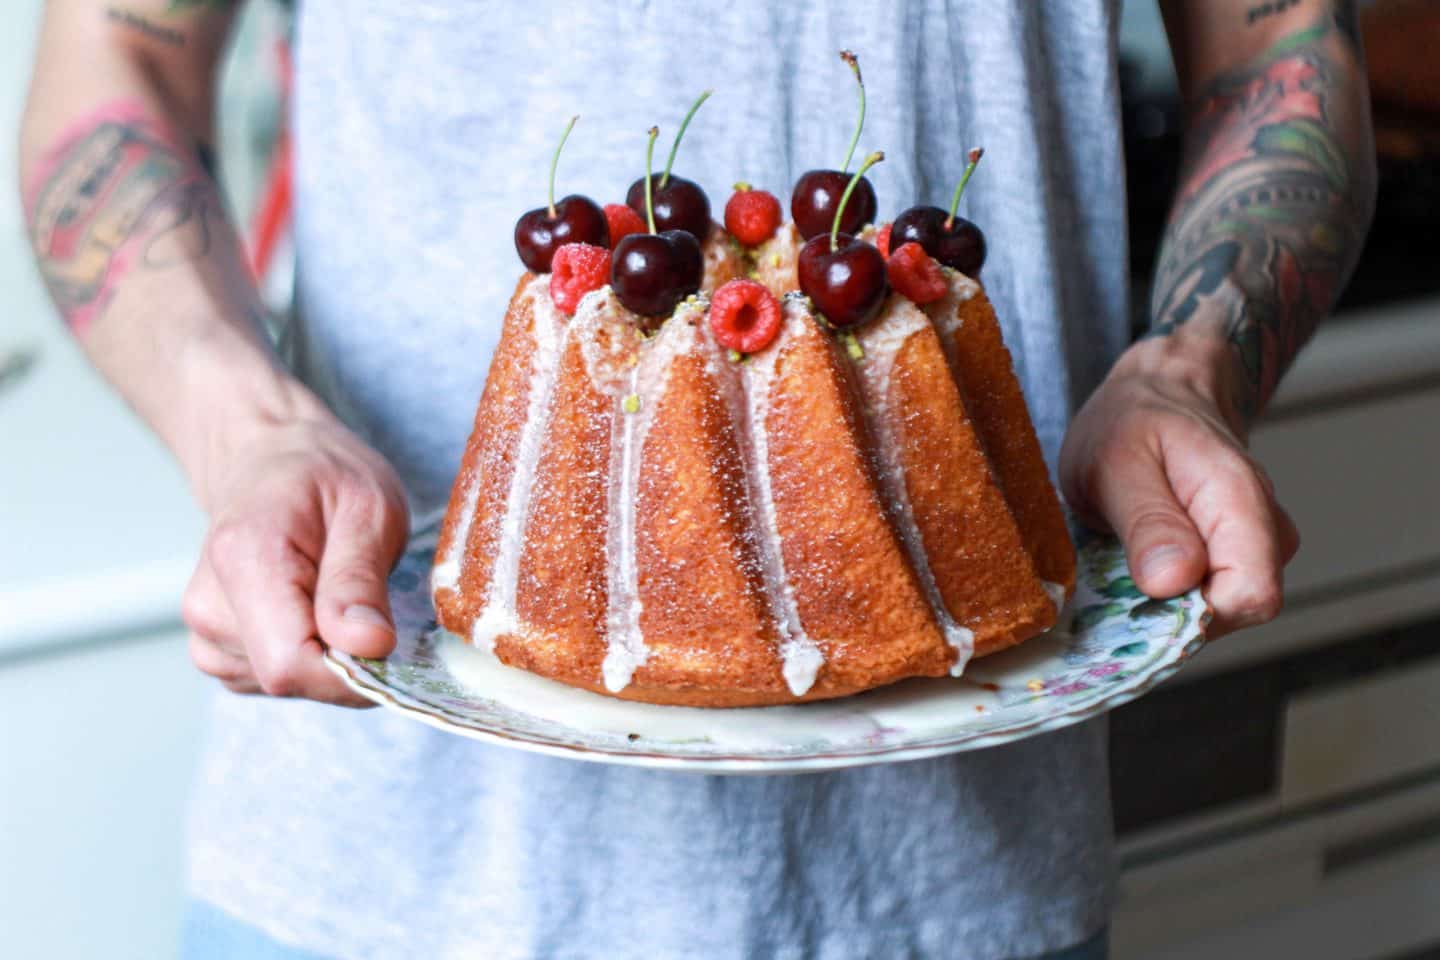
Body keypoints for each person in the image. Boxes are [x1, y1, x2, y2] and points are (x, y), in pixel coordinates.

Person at [20, 1, 1374, 957]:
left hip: (959, 878)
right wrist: (246, 428)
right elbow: (117, 61)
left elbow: (1283, 49)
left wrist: (1187, 367)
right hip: (371, 865)